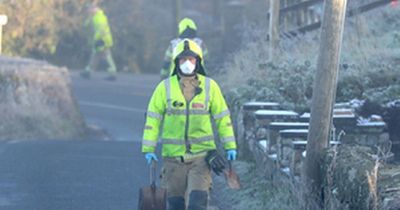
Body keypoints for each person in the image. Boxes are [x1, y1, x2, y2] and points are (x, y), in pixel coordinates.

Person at [142, 39, 237, 210]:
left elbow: (223, 118)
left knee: (197, 204)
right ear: (176, 62)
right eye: (183, 59)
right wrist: (148, 149)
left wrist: (230, 146)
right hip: (172, 161)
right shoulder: (164, 88)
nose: (187, 63)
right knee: (175, 205)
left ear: (198, 61)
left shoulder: (210, 87)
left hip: (201, 159)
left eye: (191, 59)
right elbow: (153, 119)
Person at [81, 4, 117, 81]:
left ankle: (112, 73)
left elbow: (101, 30)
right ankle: (88, 71)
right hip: (101, 40)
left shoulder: (99, 18)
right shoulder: (95, 17)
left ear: (94, 9)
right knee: (96, 56)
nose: (88, 11)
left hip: (102, 41)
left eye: (89, 9)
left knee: (106, 56)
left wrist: (96, 40)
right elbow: (87, 25)